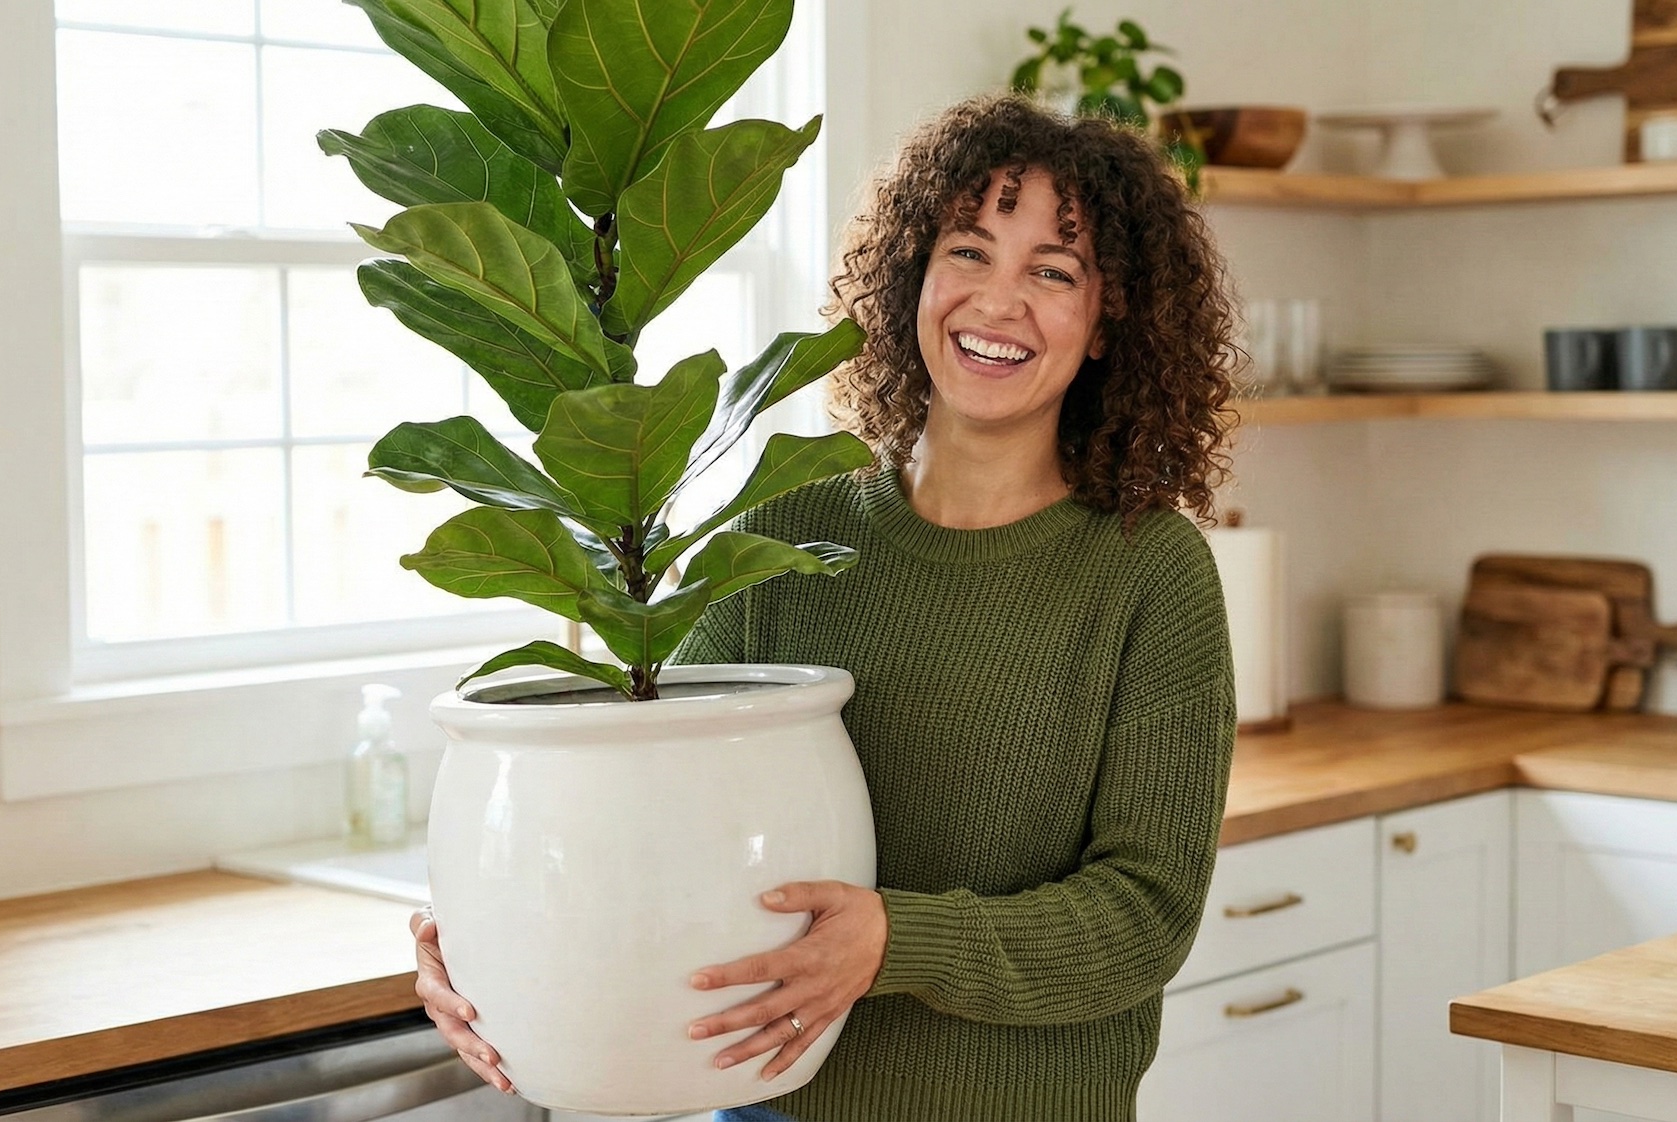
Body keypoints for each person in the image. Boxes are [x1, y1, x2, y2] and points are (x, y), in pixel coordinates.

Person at [409, 92, 1240, 1122]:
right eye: (969, 252)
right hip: (769, 1108)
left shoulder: (1148, 572)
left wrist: (894, 940)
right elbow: (641, 786)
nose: (999, 300)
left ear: (1109, 321)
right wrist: (482, 935)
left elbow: (1143, 918)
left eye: (1054, 272)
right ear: (911, 280)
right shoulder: (789, 531)